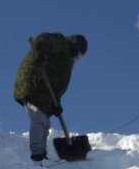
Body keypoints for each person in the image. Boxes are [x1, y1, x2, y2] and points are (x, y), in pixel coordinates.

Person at [13, 32, 87, 161]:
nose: (78, 58)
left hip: (44, 93)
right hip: (33, 83)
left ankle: (42, 154)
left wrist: (56, 105)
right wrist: (41, 54)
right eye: (79, 54)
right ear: (75, 46)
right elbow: (44, 39)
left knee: (45, 124)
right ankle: (37, 155)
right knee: (39, 118)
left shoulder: (67, 61)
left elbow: (56, 85)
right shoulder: (61, 43)